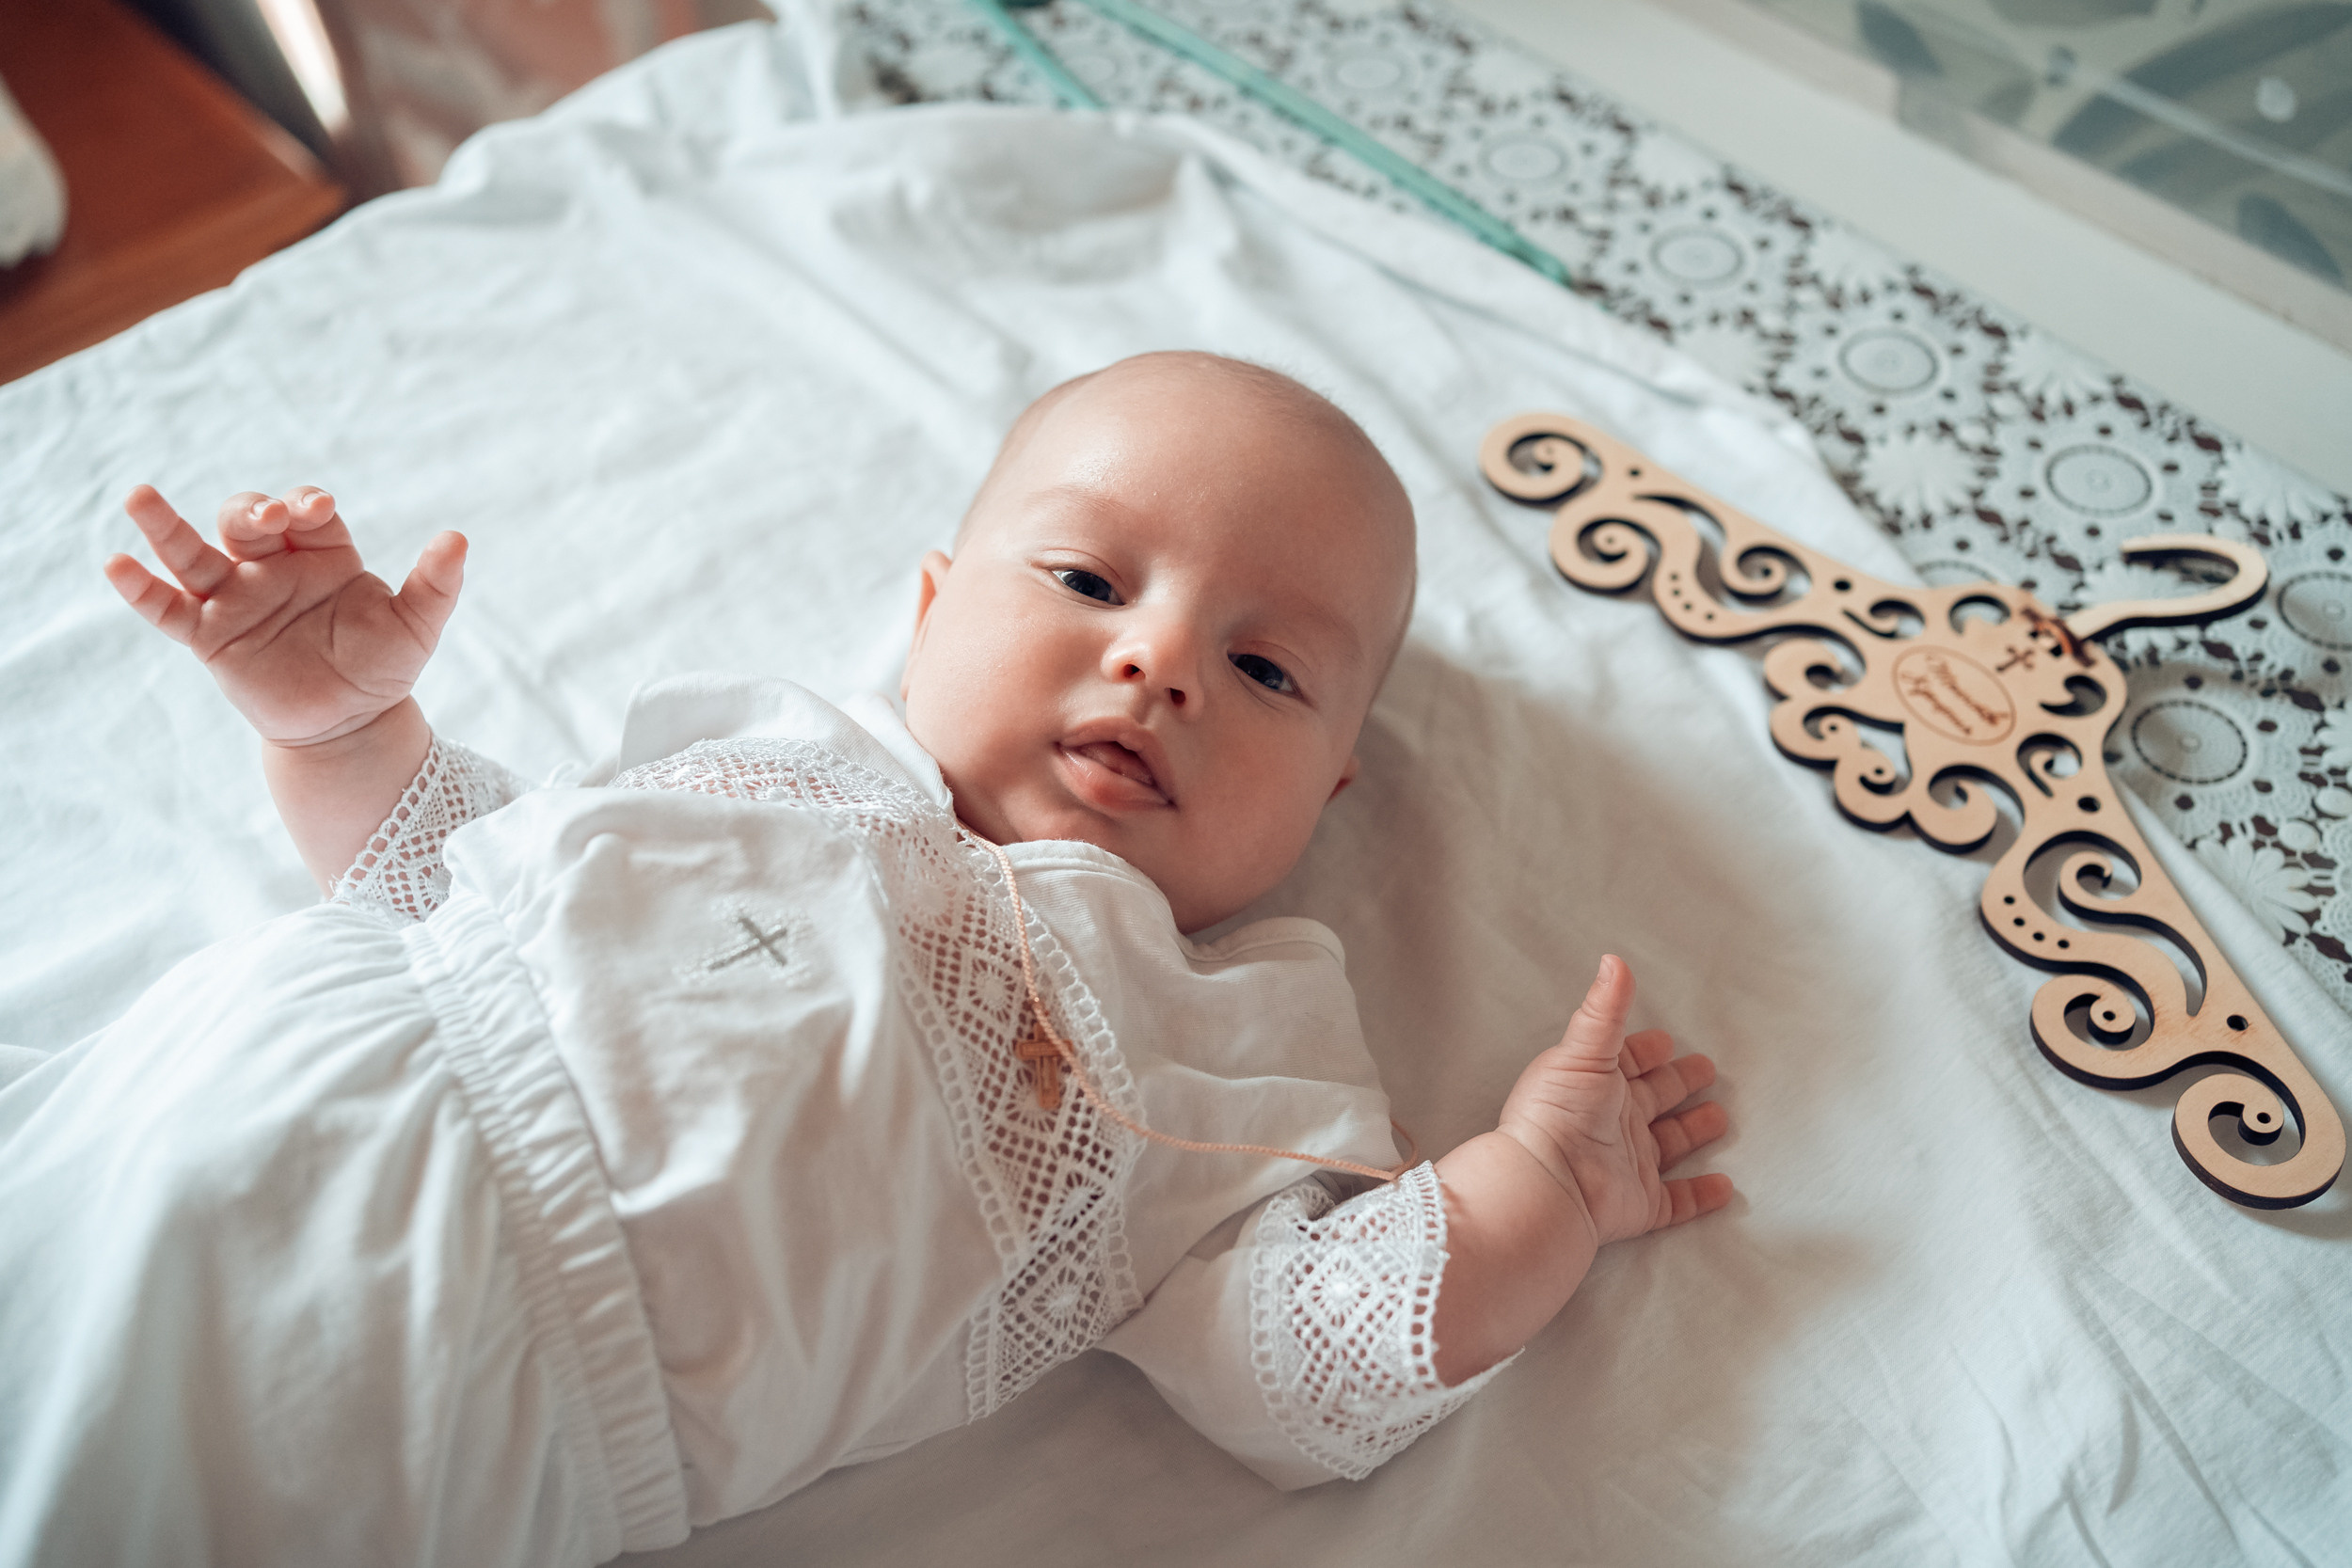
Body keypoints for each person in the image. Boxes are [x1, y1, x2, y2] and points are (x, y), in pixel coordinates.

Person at [5, 352, 1729, 1565]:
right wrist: (344, 730)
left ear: (1337, 785)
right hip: (274, 1056)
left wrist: (1533, 1195)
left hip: (489, 1376)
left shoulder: (1218, 1061)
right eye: (1085, 574)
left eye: (1270, 672)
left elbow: (1296, 1372)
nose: (1160, 662)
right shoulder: (772, 759)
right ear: (931, 605)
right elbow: (452, 879)